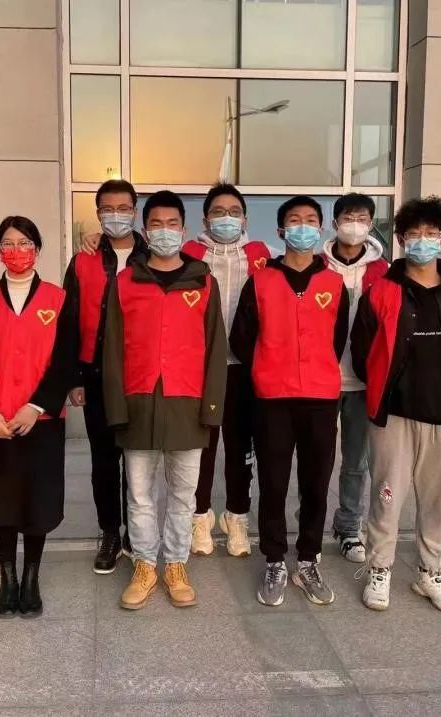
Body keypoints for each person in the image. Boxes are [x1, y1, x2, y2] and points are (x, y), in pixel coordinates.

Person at [351, 196, 441, 614]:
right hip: (394, 412)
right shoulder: (380, 291)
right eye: (414, 234)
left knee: (440, 500)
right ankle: (380, 568)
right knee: (386, 495)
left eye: (431, 233)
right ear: (402, 240)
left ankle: (431, 572)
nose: (422, 240)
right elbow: (362, 351)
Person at [102, 190, 227, 610]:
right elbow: (112, 349)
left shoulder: (203, 283)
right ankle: (144, 565)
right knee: (139, 494)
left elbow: (216, 348)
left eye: (172, 224)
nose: (164, 231)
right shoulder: (125, 283)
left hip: (187, 403)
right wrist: (116, 406)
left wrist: (212, 407)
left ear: (184, 230)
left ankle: (175, 564)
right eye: (156, 224)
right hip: (138, 402)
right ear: (145, 229)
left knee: (182, 495)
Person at [230, 195, 349, 607]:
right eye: (294, 221)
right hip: (273, 398)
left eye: (310, 220)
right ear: (281, 231)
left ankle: (309, 559)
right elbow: (241, 339)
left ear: (322, 229)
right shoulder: (261, 280)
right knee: (274, 483)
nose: (302, 227)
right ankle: (275, 559)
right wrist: (269, 367)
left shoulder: (334, 283)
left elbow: (338, 340)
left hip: (320, 396)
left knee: (316, 483)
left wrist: (315, 368)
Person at [0, 216, 78, 619]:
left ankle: (31, 576)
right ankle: (7, 578)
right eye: (8, 243)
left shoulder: (57, 298)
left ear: (37, 250)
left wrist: (38, 405)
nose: (17, 250)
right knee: (2, 500)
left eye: (25, 242)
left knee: (36, 501)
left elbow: (65, 358)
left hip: (39, 420)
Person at [180, 183, 271, 558]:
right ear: (205, 219)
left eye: (234, 212)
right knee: (201, 446)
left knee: (240, 448)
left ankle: (237, 517)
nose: (227, 218)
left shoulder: (261, 255)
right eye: (218, 212)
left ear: (245, 219)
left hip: (245, 368)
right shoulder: (189, 255)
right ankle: (199, 516)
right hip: (201, 368)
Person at [64, 180, 149, 575]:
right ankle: (110, 532)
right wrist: (74, 377)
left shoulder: (153, 256)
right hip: (96, 372)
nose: (116, 215)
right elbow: (69, 319)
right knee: (103, 460)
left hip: (141, 375)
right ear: (98, 213)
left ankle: (137, 531)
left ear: (135, 210)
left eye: (124, 207)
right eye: (108, 208)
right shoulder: (83, 260)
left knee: (139, 459)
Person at [322, 193, 389, 563]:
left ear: (371, 224)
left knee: (355, 463)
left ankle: (349, 528)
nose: (354, 224)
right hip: (320, 379)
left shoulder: (385, 272)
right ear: (335, 224)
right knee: (316, 460)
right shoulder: (316, 266)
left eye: (362, 218)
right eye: (348, 217)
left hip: (363, 382)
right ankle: (310, 526)